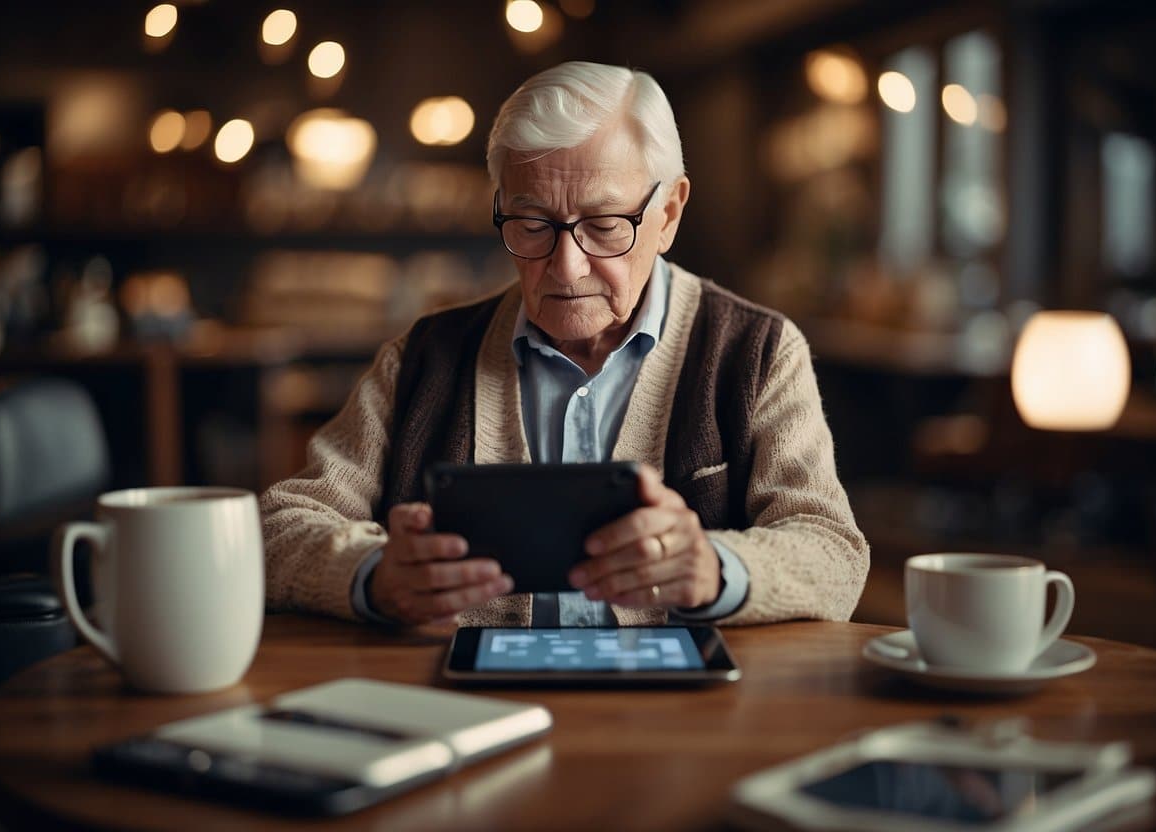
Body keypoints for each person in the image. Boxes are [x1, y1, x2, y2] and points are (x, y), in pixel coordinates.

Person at [260, 61, 868, 628]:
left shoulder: (756, 351)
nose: (567, 268)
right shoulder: (423, 358)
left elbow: (834, 554)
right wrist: (370, 574)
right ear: (500, 208)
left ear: (670, 214)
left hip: (686, 714)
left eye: (605, 226)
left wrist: (715, 568)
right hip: (457, 704)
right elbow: (277, 527)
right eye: (533, 225)